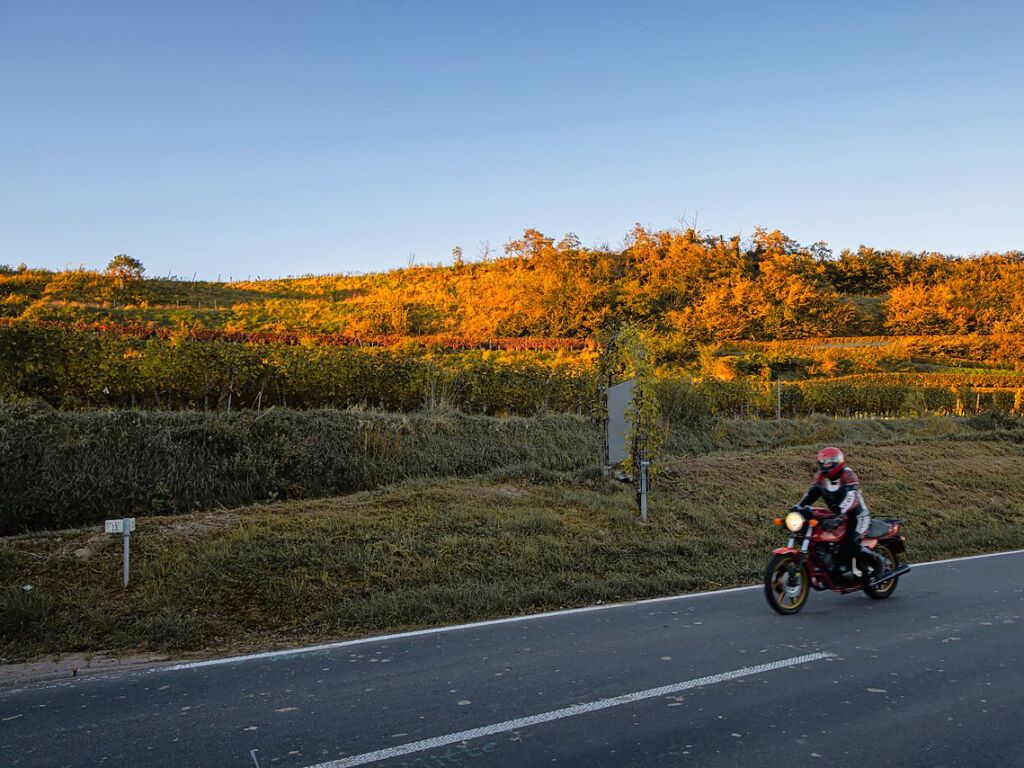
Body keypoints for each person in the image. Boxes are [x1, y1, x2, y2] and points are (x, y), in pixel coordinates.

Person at [793, 447, 887, 582]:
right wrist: (797, 508)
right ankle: (833, 566)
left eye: (830, 461)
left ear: (838, 461)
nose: (826, 464)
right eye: (823, 461)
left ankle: (877, 561)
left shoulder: (848, 475)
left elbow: (851, 497)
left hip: (857, 516)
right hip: (839, 516)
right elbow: (810, 495)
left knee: (849, 543)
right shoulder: (820, 477)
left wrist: (841, 514)